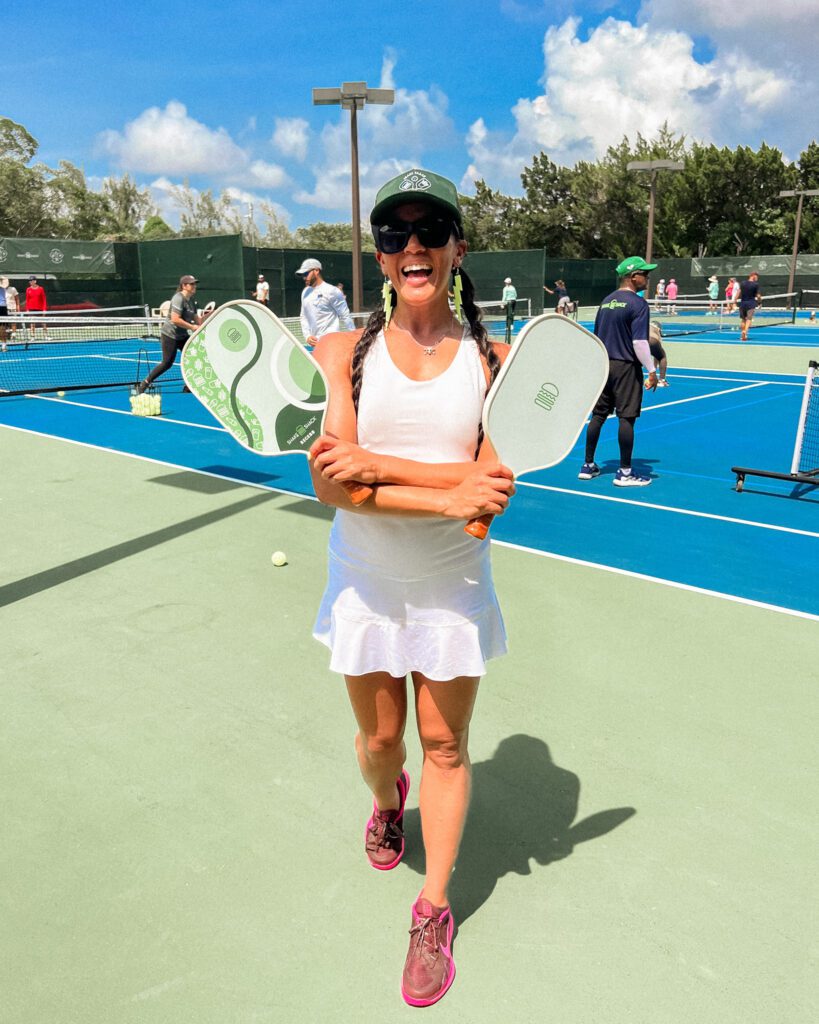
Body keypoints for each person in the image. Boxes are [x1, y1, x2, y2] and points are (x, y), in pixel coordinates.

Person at [306, 167, 514, 1007]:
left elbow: (486, 499)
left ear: (457, 249)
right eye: (394, 233)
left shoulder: (494, 362)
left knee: (445, 745)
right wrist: (447, 484)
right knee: (380, 747)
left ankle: (433, 911)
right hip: (362, 581)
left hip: (451, 585)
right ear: (382, 256)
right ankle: (386, 803)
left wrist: (387, 469)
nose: (413, 245)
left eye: (431, 230)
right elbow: (331, 485)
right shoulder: (340, 352)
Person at [578, 255, 658, 486]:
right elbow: (639, 343)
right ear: (633, 277)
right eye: (645, 274)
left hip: (603, 365)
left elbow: (596, 337)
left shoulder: (606, 301)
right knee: (627, 418)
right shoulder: (638, 304)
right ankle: (624, 472)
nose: (647, 278)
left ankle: (588, 465)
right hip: (625, 367)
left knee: (598, 416)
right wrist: (651, 371)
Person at [136, 275, 205, 393]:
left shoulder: (191, 299)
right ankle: (145, 383)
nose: (194, 286)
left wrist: (203, 324)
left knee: (193, 358)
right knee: (167, 363)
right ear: (184, 286)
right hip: (170, 335)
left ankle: (189, 385)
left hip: (182, 335)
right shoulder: (178, 298)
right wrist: (192, 327)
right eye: (192, 284)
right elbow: (175, 319)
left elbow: (194, 316)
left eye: (195, 284)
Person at [295, 258, 354, 344]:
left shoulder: (332, 291)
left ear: (316, 271)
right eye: (302, 275)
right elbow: (303, 316)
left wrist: (353, 338)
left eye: (306, 274)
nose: (304, 278)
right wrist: (307, 336)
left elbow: (345, 316)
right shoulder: (305, 292)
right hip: (315, 345)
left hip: (331, 343)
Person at [738, 271, 762, 342]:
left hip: (742, 304)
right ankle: (745, 332)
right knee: (749, 319)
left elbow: (738, 292)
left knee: (743, 319)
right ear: (753, 276)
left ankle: (743, 334)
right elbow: (758, 295)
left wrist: (734, 301)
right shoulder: (756, 284)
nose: (757, 278)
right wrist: (760, 302)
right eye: (757, 276)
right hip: (751, 304)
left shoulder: (742, 283)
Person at [25, 274, 48, 340]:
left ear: (35, 281)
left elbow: (44, 299)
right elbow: (27, 299)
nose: (30, 282)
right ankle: (32, 337)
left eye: (31, 280)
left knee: (43, 323)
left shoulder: (41, 289)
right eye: (29, 281)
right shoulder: (28, 289)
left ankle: (46, 336)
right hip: (31, 309)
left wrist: (44, 309)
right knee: (32, 323)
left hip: (40, 309)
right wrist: (27, 309)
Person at [649, 320, 669, 386]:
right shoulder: (657, 330)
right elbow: (657, 356)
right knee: (662, 356)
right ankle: (662, 380)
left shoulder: (646, 325)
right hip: (652, 339)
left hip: (637, 340)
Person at [501, 276, 517, 342]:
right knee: (512, 313)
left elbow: (504, 296)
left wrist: (502, 304)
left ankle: (508, 326)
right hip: (514, 301)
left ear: (507, 283)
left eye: (506, 282)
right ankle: (511, 325)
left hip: (508, 302)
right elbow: (516, 295)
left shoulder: (505, 288)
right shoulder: (513, 288)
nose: (505, 283)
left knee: (508, 314)